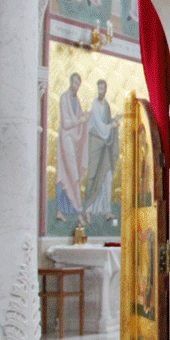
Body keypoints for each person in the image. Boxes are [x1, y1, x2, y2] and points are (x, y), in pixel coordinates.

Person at [56, 72, 91, 226]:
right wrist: (80, 120)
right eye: (75, 83)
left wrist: (85, 117)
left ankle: (61, 211)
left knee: (70, 175)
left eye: (79, 84)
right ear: (71, 82)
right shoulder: (64, 98)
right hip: (66, 140)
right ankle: (78, 213)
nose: (77, 87)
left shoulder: (76, 100)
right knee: (71, 175)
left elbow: (78, 119)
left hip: (73, 140)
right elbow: (66, 123)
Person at [84, 79, 122, 221]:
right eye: (99, 89)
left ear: (106, 90)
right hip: (96, 145)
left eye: (103, 89)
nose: (101, 91)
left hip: (105, 147)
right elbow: (99, 125)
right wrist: (111, 126)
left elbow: (105, 123)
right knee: (93, 176)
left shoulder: (106, 105)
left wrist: (114, 121)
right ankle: (88, 210)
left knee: (107, 177)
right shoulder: (95, 105)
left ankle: (106, 210)